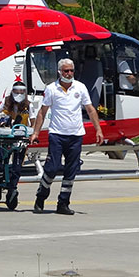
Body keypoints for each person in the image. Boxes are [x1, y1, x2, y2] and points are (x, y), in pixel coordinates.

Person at [29, 58, 104, 215]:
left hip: (75, 135)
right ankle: (41, 196)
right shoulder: (51, 89)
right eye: (66, 71)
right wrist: (35, 132)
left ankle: (63, 202)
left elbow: (90, 110)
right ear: (59, 72)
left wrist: (98, 130)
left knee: (71, 170)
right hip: (57, 134)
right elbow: (42, 112)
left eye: (71, 71)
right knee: (52, 168)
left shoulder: (80, 87)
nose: (69, 74)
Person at [0, 81, 36, 206]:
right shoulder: (6, 102)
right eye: (16, 92)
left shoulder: (28, 105)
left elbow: (32, 120)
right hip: (6, 137)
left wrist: (32, 132)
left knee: (17, 167)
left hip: (20, 137)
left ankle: (12, 188)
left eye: (21, 92)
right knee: (2, 163)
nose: (19, 94)